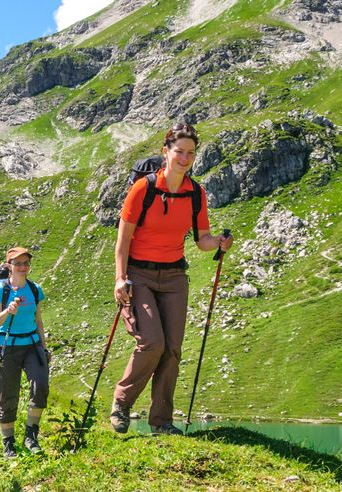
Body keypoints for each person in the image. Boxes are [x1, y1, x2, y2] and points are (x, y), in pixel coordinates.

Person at [111, 122, 233, 436]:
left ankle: (161, 422)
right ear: (166, 151)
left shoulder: (196, 193)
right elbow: (123, 241)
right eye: (179, 151)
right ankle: (122, 402)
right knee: (152, 343)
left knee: (172, 349)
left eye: (191, 153)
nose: (185, 158)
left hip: (175, 275)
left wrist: (217, 242)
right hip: (140, 274)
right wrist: (120, 279)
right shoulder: (144, 188)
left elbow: (201, 239)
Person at [0, 246, 49, 457]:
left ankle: (31, 436)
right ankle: (8, 442)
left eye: (26, 263)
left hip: (32, 344)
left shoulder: (34, 289)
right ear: (9, 266)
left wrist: (44, 347)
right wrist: (8, 310)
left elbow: (38, 320)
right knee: (8, 395)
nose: (23, 267)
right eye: (18, 263)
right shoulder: (0, 290)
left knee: (40, 385)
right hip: (7, 346)